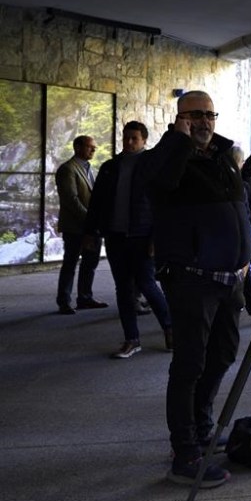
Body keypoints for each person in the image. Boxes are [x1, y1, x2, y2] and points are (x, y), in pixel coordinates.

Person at [141, 90, 251, 489]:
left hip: (229, 279)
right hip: (191, 279)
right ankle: (184, 452)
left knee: (222, 353)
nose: (205, 122)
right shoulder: (167, 157)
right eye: (196, 116)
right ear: (180, 119)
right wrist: (178, 139)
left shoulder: (222, 157)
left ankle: (202, 425)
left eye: (210, 114)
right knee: (189, 363)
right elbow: (157, 182)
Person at [84, 121, 172, 359]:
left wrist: (156, 237)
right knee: (123, 289)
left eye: (134, 138)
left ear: (144, 140)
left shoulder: (152, 167)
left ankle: (169, 328)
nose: (129, 142)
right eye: (126, 138)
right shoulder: (110, 167)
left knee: (147, 285)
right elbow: (97, 202)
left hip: (142, 236)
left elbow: (162, 205)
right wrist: (90, 232)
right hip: (116, 237)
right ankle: (131, 339)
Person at [54, 135, 108, 315]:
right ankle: (64, 301)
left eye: (94, 147)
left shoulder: (88, 168)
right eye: (89, 147)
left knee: (90, 263)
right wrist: (91, 220)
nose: (93, 150)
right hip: (75, 227)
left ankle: (85, 297)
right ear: (77, 147)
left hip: (91, 227)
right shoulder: (67, 169)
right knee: (70, 263)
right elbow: (71, 200)